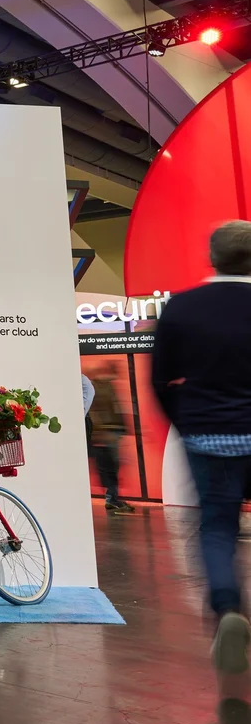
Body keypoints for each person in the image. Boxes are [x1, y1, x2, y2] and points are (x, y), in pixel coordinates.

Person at [152, 220, 251, 693]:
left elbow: (160, 380)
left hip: (210, 438)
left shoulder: (182, 308)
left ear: (213, 257)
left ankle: (228, 609)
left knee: (216, 530)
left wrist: (187, 421)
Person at [85, 367, 134, 515]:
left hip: (111, 431)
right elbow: (97, 410)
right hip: (107, 432)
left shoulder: (106, 386)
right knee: (109, 466)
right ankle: (112, 499)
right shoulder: (98, 388)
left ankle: (113, 498)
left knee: (112, 465)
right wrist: (101, 431)